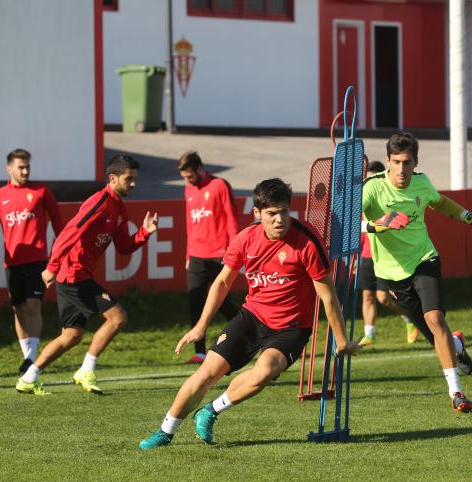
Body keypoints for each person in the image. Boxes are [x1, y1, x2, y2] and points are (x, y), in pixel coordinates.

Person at [139, 178, 359, 449]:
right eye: (271, 214)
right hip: (252, 316)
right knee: (207, 372)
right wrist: (200, 326)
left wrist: (342, 340)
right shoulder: (245, 239)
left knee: (263, 371)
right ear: (257, 213)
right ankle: (165, 432)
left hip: (291, 327)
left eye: (284, 212)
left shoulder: (307, 242)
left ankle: (211, 410)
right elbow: (221, 283)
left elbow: (328, 295)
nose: (280, 220)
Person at [361, 131, 472, 413]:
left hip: (425, 259)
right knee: (433, 334)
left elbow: (439, 202)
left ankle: (456, 392)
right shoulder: (372, 188)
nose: (402, 169)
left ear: (415, 162)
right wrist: (379, 224)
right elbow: (349, 224)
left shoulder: (422, 182)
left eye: (408, 162)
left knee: (435, 319)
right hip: (391, 274)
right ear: (388, 161)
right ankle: (457, 345)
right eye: (397, 162)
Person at [16, 154, 158, 395]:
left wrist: (144, 233)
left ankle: (29, 377)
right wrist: (53, 266)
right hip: (73, 275)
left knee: (71, 336)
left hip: (78, 275)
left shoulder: (119, 208)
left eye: (135, 179)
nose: (133, 184)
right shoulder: (100, 201)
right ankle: (86, 370)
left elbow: (123, 246)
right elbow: (69, 233)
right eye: (128, 179)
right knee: (118, 318)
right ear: (113, 178)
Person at [0, 148, 65, 373]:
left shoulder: (41, 191)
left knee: (33, 305)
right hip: (12, 262)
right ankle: (27, 354)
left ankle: (31, 357)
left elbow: (58, 221)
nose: (25, 170)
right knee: (18, 308)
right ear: (9, 169)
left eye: (28, 166)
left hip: (37, 259)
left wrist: (65, 247)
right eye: (21, 167)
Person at [178, 151, 240, 364]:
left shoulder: (220, 185)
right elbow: (189, 223)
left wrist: (234, 251)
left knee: (222, 303)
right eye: (185, 177)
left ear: (200, 169)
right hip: (196, 255)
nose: (188, 181)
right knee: (195, 301)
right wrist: (188, 254)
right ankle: (200, 352)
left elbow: (231, 218)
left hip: (219, 254)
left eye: (190, 176)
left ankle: (249, 334)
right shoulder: (188, 190)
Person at [357, 159, 419, 347]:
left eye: (372, 179)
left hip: (384, 256)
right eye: (366, 180)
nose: (369, 184)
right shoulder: (363, 199)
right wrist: (354, 258)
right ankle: (370, 334)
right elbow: (358, 230)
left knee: (383, 297)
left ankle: (410, 319)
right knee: (367, 296)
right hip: (367, 255)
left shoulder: (388, 200)